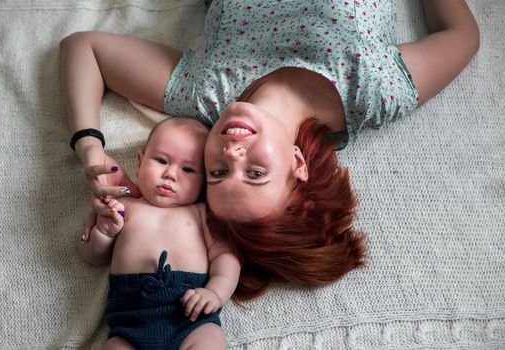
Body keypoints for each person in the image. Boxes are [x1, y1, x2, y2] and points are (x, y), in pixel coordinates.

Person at [61, 0, 479, 300]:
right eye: (256, 173)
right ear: (298, 164)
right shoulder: (374, 90)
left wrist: (90, 151)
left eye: (217, 174)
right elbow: (462, 36)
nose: (231, 152)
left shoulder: (207, 95)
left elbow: (83, 48)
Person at [79, 116, 241, 349]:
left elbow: (226, 257)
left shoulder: (201, 213)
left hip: (191, 317)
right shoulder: (124, 206)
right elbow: (91, 256)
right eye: (161, 160)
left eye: (188, 169)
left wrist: (215, 293)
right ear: (140, 160)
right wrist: (104, 233)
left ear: (204, 180)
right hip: (130, 324)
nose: (171, 174)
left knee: (212, 340)